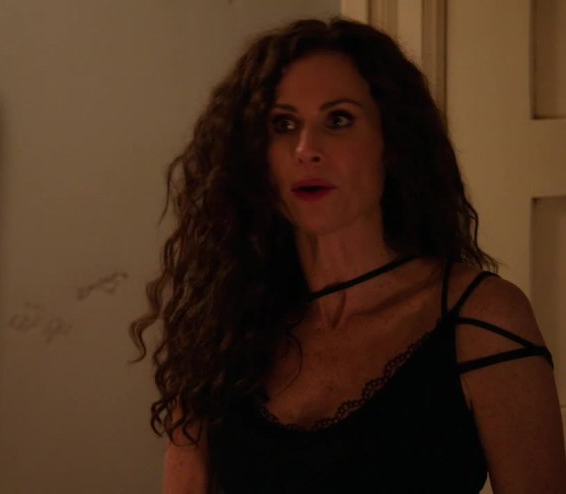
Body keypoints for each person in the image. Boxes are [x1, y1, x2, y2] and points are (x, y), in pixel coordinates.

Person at [129, 17, 566, 493]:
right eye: (283, 124)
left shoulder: (480, 318)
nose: (306, 149)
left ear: (392, 143)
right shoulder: (222, 326)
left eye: (338, 120)